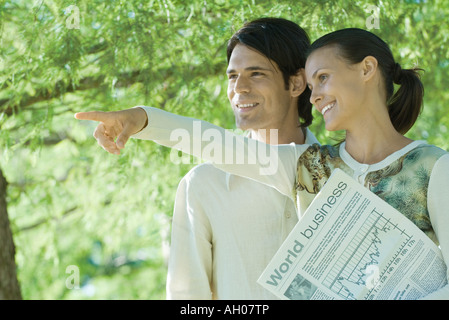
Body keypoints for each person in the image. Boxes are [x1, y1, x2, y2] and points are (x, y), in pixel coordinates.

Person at [77, 27, 449, 299]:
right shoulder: (307, 167)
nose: (315, 95)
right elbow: (218, 146)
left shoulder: (434, 167)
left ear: (367, 69)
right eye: (313, 82)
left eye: (321, 78)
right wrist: (141, 120)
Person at [75, 18, 319, 299]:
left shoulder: (341, 171)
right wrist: (144, 119)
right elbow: (187, 299)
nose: (239, 87)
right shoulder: (203, 185)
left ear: (296, 82)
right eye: (232, 76)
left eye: (256, 74)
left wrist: (145, 119)